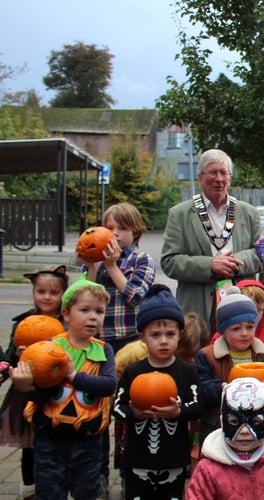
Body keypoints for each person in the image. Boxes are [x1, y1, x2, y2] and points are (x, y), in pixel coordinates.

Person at [11, 278, 116, 500]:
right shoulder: (50, 347)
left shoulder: (104, 350)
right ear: (66, 315)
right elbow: (41, 394)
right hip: (50, 436)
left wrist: (73, 376)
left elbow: (108, 385)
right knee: (49, 490)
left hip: (88, 439)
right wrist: (25, 386)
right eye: (85, 310)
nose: (93, 317)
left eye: (99, 311)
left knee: (87, 490)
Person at [112, 284, 203, 500]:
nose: (163, 340)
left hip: (174, 457)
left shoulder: (187, 371)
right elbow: (117, 407)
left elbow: (198, 406)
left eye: (170, 334)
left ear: (180, 335)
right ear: (141, 336)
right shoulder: (134, 371)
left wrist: (178, 412)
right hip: (138, 457)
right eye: (155, 334)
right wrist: (134, 413)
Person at [161, 148, 263, 331]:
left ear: (230, 178)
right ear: (200, 177)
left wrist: (236, 263)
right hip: (199, 308)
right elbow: (169, 262)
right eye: (212, 172)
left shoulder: (248, 213)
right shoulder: (180, 214)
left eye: (224, 173)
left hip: (241, 304)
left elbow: (261, 254)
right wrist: (210, 265)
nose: (219, 178)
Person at [0, 265, 68, 499]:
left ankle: (57, 484)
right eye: (41, 291)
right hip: (26, 392)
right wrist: (18, 357)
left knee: (55, 442)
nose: (47, 297)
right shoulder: (23, 323)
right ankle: (29, 487)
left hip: (55, 392)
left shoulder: (67, 324)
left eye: (53, 292)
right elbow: (8, 358)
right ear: (34, 293)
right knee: (29, 445)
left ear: (62, 295)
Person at [195, 287, 264, 444]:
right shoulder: (208, 356)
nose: (244, 333)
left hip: (259, 424)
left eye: (250, 327)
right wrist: (221, 388)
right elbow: (201, 385)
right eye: (236, 328)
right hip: (219, 426)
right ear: (223, 331)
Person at [80, 202, 155, 353]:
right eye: (109, 228)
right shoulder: (95, 260)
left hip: (129, 336)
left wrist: (111, 266)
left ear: (135, 232)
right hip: (97, 336)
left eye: (122, 228)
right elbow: (83, 299)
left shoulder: (142, 259)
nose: (115, 233)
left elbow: (136, 297)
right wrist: (92, 267)